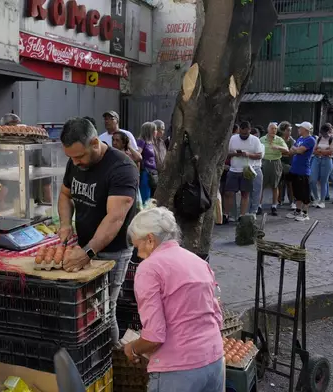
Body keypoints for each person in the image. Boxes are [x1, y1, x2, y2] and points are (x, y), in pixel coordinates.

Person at [123, 203, 224, 392]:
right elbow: (217, 318)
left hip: (178, 370)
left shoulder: (149, 269)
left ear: (150, 240)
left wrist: (133, 348)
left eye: (138, 246)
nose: (138, 254)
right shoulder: (197, 261)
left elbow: (154, 336)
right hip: (214, 360)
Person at [58, 117, 138, 344]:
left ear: (95, 143)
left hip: (113, 249)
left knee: (104, 310)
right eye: (71, 157)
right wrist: (65, 224)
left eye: (80, 156)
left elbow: (115, 218)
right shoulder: (75, 161)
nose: (76, 162)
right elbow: (65, 194)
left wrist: (88, 253)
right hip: (85, 244)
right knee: (85, 310)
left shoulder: (122, 167)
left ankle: (109, 360)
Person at [223, 121, 262, 221]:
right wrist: (235, 154)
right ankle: (226, 214)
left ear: (249, 130)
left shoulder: (255, 140)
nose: (243, 135)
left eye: (246, 134)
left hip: (247, 170)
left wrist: (248, 155)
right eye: (241, 133)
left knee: (245, 194)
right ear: (239, 130)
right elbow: (226, 153)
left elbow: (259, 155)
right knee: (229, 193)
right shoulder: (233, 138)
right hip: (234, 169)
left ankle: (242, 215)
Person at [286, 121, 316, 222]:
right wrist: (296, 149)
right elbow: (292, 150)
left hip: (303, 170)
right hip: (295, 169)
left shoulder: (310, 139)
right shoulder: (300, 138)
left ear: (305, 129)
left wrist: (296, 149)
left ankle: (305, 213)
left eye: (300, 128)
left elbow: (299, 150)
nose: (298, 129)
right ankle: (298, 210)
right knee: (297, 192)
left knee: (304, 192)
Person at [259, 122, 288, 216]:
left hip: (275, 162)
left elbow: (287, 150)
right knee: (261, 185)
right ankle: (259, 206)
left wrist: (278, 147)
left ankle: (274, 206)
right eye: (272, 128)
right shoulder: (262, 139)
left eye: (275, 129)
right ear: (268, 129)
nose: (274, 130)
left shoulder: (279, 140)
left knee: (275, 185)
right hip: (264, 162)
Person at [309, 124, 333, 208]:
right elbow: (314, 151)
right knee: (312, 180)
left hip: (327, 161)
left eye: (326, 133)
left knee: (323, 181)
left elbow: (331, 152)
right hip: (317, 159)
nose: (325, 135)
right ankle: (316, 198)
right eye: (323, 133)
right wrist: (324, 151)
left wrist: (320, 150)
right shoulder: (318, 139)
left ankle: (322, 201)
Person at [137, 122, 160, 202]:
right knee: (145, 197)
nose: (156, 132)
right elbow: (137, 155)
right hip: (146, 173)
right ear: (150, 131)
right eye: (155, 130)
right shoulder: (141, 141)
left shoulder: (152, 142)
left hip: (153, 173)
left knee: (152, 197)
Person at [278, 122, 295, 208]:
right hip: (279, 164)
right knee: (280, 183)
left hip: (289, 164)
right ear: (283, 131)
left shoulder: (292, 140)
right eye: (288, 130)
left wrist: (286, 152)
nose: (289, 132)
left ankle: (292, 201)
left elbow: (291, 152)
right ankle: (280, 200)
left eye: (290, 131)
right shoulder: (279, 139)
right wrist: (286, 152)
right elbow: (278, 152)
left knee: (290, 184)